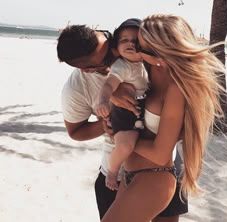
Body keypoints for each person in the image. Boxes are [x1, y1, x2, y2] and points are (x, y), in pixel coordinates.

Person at [56, 19, 188, 222]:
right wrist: (106, 125)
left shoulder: (139, 50)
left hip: (161, 169)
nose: (118, 52)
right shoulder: (76, 88)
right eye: (108, 57)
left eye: (110, 42)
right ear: (89, 69)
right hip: (116, 173)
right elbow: (75, 132)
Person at [101, 14, 225, 222]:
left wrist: (120, 137)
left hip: (154, 177)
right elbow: (113, 69)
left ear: (159, 54)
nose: (135, 50)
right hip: (130, 174)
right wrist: (114, 93)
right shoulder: (149, 69)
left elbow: (160, 154)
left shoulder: (176, 89)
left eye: (140, 47)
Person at [95, 18, 149, 191]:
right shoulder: (121, 66)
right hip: (124, 113)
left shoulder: (147, 64)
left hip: (143, 110)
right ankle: (112, 171)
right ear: (116, 48)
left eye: (136, 41)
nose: (130, 44)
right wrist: (103, 100)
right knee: (126, 145)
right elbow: (109, 85)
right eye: (124, 40)